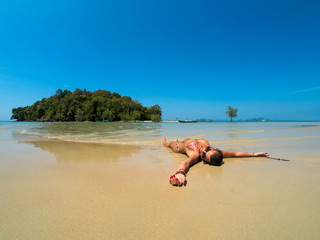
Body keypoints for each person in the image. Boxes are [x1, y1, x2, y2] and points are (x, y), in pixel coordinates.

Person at [162, 137, 269, 186]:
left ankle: (165, 141)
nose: (203, 151)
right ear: (213, 149)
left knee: (167, 144)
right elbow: (236, 154)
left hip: (178, 147)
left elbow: (185, 163)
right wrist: (254, 154)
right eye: (207, 150)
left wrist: (180, 173)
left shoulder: (195, 154)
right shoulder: (215, 152)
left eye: (203, 155)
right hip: (189, 139)